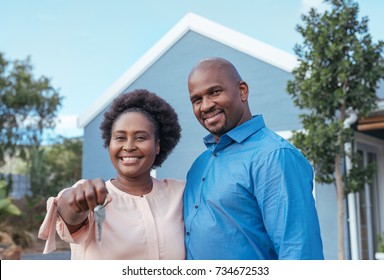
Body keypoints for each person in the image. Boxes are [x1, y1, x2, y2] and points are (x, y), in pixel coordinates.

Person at [183, 57, 324, 260]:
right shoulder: (199, 165)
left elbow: (299, 252)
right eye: (197, 99)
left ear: (242, 91)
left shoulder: (275, 156)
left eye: (214, 92)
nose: (205, 106)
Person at [38, 89, 185, 260]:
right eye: (120, 138)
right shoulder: (92, 196)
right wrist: (76, 203)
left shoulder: (179, 193)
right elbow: (69, 208)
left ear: (157, 146)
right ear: (110, 143)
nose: (129, 146)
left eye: (140, 138)